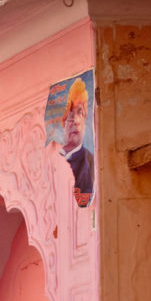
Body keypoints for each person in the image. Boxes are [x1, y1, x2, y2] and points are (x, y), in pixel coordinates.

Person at [61, 77, 94, 207]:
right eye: (70, 114)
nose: (75, 120)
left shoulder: (88, 161)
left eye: (80, 112)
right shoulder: (55, 158)